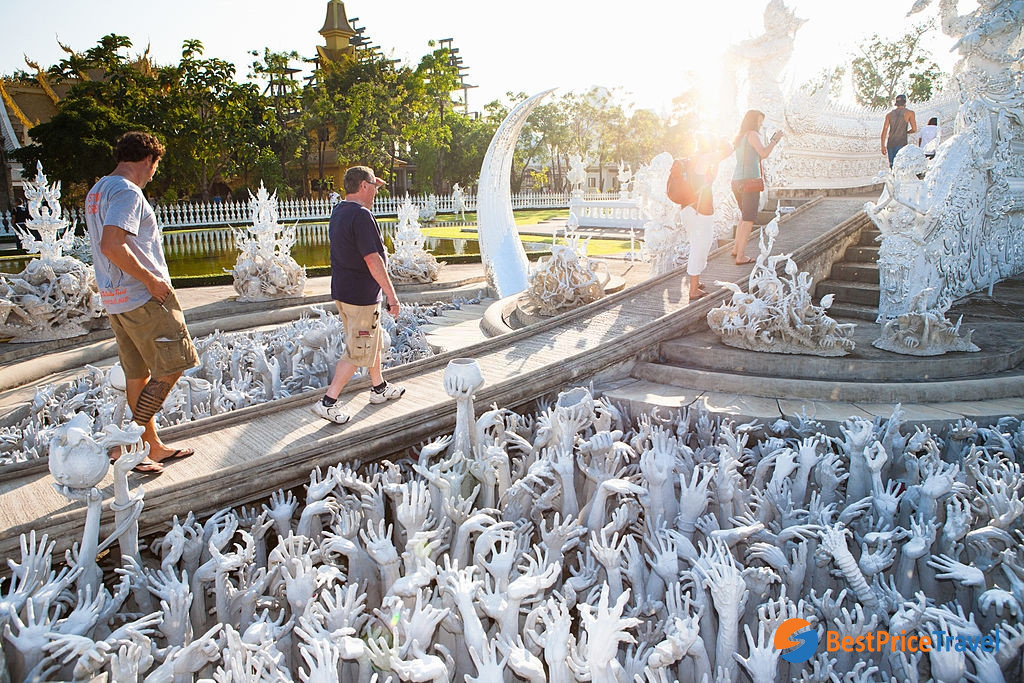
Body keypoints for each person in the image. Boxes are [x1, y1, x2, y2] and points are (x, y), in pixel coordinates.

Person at [85, 131, 199, 474]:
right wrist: (152, 281)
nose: (153, 174)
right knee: (175, 363)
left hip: (116, 300)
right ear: (149, 160)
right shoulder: (126, 191)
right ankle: (129, 442)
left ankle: (149, 446)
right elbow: (112, 244)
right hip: (142, 297)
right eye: (155, 167)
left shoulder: (97, 190)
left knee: (137, 373)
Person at [313, 166, 405, 424]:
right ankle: (327, 402)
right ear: (363, 186)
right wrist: (392, 295)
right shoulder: (362, 215)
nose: (377, 191)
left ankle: (379, 388)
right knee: (357, 350)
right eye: (374, 186)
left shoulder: (339, 212)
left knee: (369, 341)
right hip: (361, 297)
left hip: (345, 292)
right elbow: (373, 260)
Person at [682, 133, 733, 299]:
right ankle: (693, 290)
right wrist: (720, 140)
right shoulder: (705, 158)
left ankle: (696, 282)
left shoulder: (694, 159)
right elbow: (730, 149)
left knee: (698, 245)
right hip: (699, 211)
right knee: (700, 246)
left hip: (688, 210)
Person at [731, 109, 782, 265]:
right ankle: (740, 256)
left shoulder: (740, 136)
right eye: (759, 121)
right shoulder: (752, 134)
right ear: (753, 121)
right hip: (749, 182)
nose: (761, 124)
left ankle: (735, 249)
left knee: (743, 217)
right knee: (748, 219)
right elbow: (764, 153)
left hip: (736, 181)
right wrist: (774, 140)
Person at [881, 94, 918, 168]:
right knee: (901, 167)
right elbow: (914, 129)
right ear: (905, 102)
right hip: (902, 143)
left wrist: (882, 145)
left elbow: (884, 130)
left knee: (892, 166)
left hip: (890, 144)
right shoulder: (910, 113)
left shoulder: (889, 115)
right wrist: (907, 132)